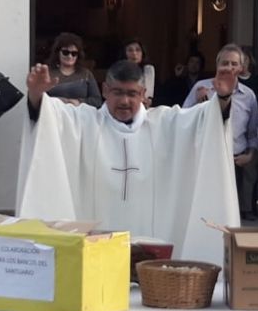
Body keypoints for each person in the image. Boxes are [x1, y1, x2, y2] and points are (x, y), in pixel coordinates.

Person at [13, 60, 240, 266]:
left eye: (132, 93)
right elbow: (49, 117)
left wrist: (222, 99)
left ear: (143, 93)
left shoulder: (164, 123)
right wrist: (36, 97)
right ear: (104, 91)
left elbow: (203, 120)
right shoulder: (84, 122)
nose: (124, 101)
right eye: (117, 92)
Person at [182, 44, 258, 221]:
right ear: (217, 65)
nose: (229, 67)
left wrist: (250, 155)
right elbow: (183, 119)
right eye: (225, 63)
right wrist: (198, 101)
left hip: (236, 162)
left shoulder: (249, 95)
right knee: (203, 214)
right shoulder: (200, 88)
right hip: (204, 160)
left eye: (234, 63)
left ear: (241, 67)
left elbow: (254, 131)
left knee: (231, 217)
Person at [46, 32, 102, 107]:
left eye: (74, 53)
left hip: (80, 116)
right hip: (54, 115)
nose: (70, 56)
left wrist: (79, 102)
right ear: (58, 52)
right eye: (65, 52)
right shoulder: (47, 73)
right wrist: (57, 100)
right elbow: (38, 99)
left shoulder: (86, 74)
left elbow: (97, 101)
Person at [122, 38, 155, 107]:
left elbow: (148, 95)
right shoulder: (120, 69)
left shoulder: (148, 69)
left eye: (138, 50)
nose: (134, 53)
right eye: (130, 50)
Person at [239, 46, 258, 111]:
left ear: (250, 60)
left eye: (245, 59)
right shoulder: (233, 80)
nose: (243, 63)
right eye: (239, 60)